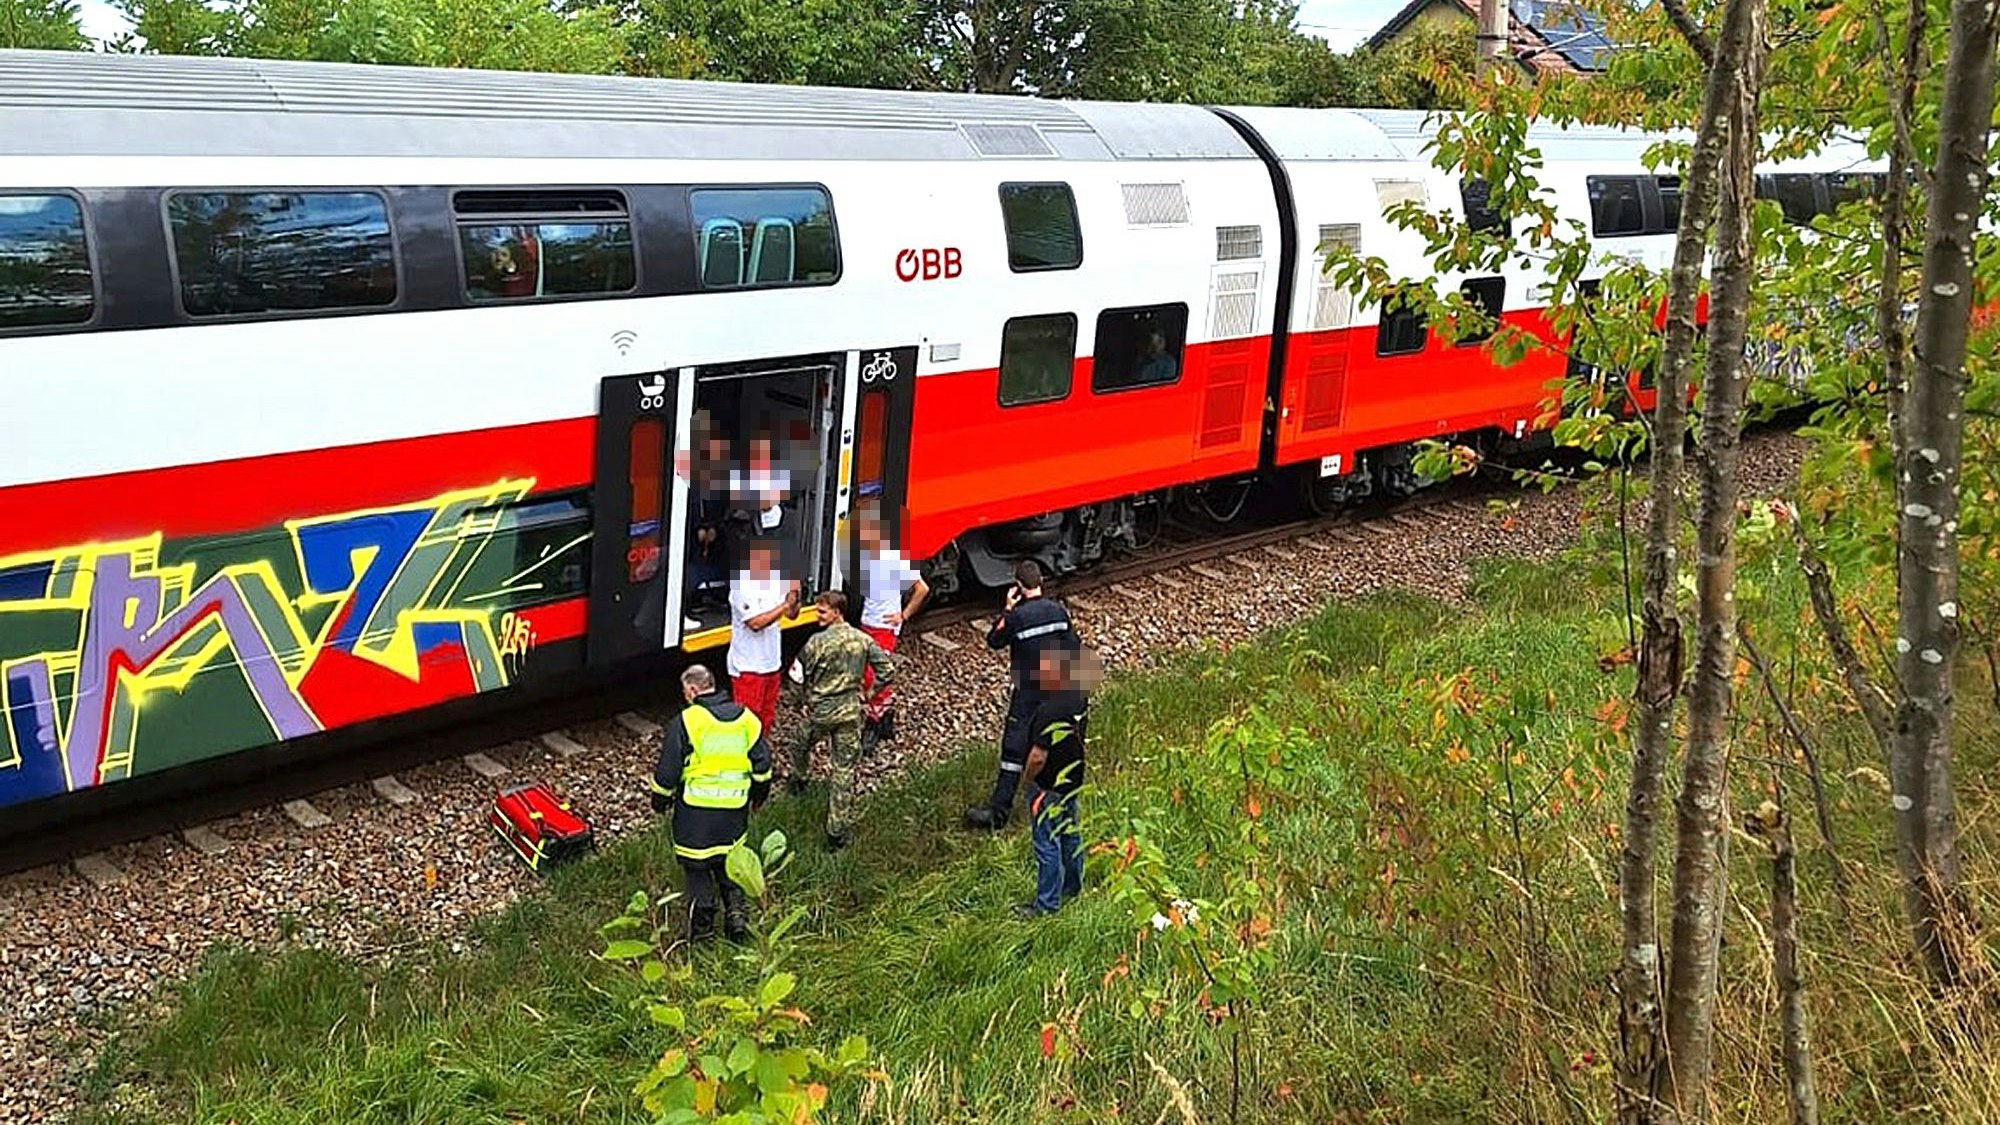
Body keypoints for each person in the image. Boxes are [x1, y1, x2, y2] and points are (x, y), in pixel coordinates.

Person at [649, 663, 773, 943]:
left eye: (685, 692)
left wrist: (660, 800)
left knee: (698, 867)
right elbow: (763, 766)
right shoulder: (747, 720)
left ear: (692, 690)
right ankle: (737, 917)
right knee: (729, 861)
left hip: (696, 814)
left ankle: (703, 931)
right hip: (734, 811)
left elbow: (668, 771)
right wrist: (758, 796)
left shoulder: (687, 721)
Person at [964, 559, 1076, 830]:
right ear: (1041, 583)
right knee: (1050, 743)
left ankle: (998, 812)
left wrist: (1007, 608)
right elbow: (1073, 648)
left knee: (1013, 750)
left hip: (1027, 694)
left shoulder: (1017, 618)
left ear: (1017, 586)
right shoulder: (1059, 612)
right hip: (1056, 690)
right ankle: (1052, 801)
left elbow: (994, 640)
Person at [786, 589, 893, 851]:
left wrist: (798, 702)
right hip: (850, 713)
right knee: (844, 770)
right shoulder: (863, 640)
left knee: (800, 744)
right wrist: (869, 694)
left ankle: (799, 780)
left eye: (822, 611)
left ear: (837, 612)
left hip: (821, 712)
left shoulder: (815, 643)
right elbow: (887, 671)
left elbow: (796, 678)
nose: (817, 615)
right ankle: (836, 831)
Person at [1017, 644, 1096, 918]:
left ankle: (1046, 905)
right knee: (1070, 834)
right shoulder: (1077, 697)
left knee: (1046, 842)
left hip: (1048, 786)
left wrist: (1027, 782)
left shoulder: (1048, 711)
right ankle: (1073, 887)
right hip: (1072, 779)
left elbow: (1038, 756)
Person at [856, 513, 929, 754]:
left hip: (884, 626)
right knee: (871, 672)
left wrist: (903, 616)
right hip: (869, 622)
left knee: (874, 675)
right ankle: (885, 717)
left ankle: (875, 723)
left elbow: (922, 589)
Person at [728, 539, 797, 736]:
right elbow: (755, 623)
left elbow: (793, 615)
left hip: (771, 663)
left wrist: (795, 597)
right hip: (748, 666)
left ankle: (760, 757)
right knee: (747, 720)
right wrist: (784, 606)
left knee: (766, 717)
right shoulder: (741, 586)